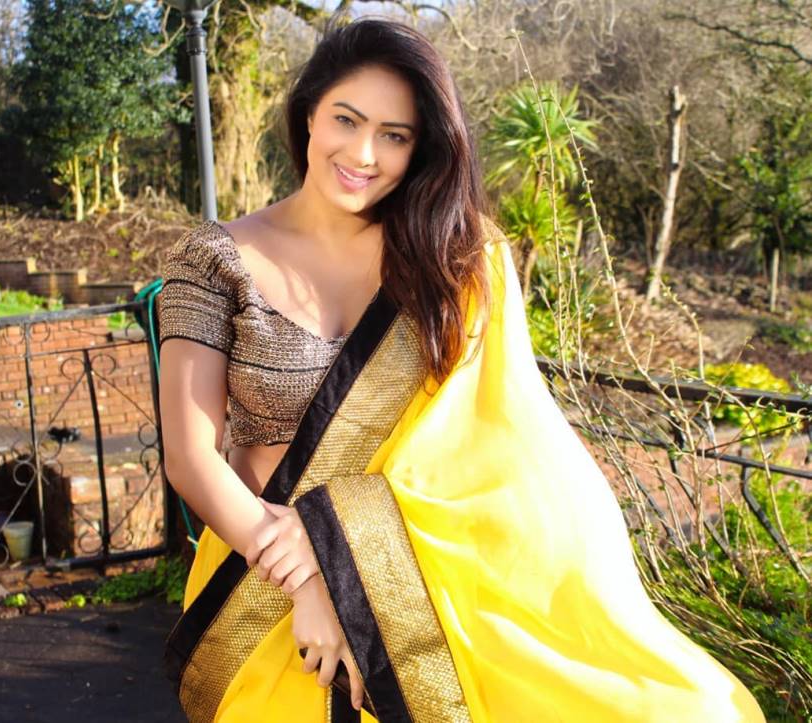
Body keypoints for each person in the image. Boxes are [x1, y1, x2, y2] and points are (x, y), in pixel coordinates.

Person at [156, 16, 765, 723]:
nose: (363, 153)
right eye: (346, 120)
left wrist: (340, 555)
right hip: (260, 583)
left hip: (425, 580)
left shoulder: (457, 263)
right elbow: (191, 457)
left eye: (394, 135)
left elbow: (508, 448)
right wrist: (312, 581)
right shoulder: (214, 259)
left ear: (423, 147)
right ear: (308, 114)